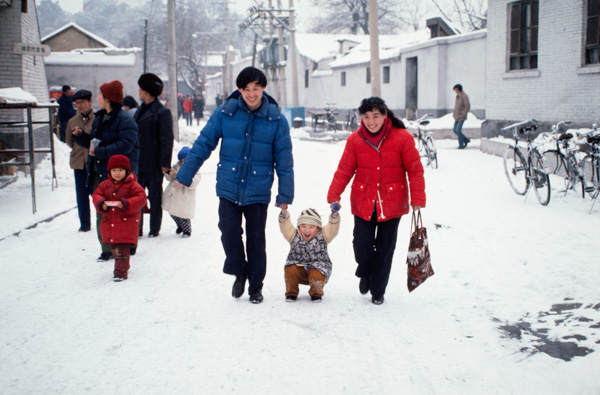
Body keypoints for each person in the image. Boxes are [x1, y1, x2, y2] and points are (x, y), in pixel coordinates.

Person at [175, 66, 294, 304]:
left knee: (256, 239)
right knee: (229, 233)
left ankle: (256, 287)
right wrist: (184, 175)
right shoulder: (225, 113)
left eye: (256, 89)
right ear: (239, 89)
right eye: (246, 89)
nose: (251, 94)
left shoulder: (276, 120)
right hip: (229, 186)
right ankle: (240, 271)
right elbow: (203, 144)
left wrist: (285, 194)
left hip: (258, 190)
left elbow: (284, 160)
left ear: (263, 89)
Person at [327, 97, 426, 305]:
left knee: (385, 249)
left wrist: (417, 198)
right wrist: (334, 195)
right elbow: (345, 169)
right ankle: (365, 271)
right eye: (366, 117)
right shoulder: (355, 140)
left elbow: (415, 170)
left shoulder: (402, 138)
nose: (371, 121)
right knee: (361, 245)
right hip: (363, 201)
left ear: (385, 115)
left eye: (375, 116)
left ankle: (378, 290)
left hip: (393, 203)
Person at [74, 80, 140, 262]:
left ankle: (127, 244)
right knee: (102, 210)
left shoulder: (125, 119)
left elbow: (126, 145)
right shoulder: (100, 117)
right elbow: (96, 142)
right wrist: (82, 138)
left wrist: (101, 152)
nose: (98, 99)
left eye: (101, 95)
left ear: (108, 98)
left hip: (120, 176)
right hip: (101, 172)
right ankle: (106, 248)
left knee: (123, 212)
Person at [92, 155, 147, 281]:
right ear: (109, 171)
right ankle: (123, 265)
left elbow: (141, 198)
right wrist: (101, 202)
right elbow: (96, 195)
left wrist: (127, 203)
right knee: (115, 248)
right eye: (114, 170)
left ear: (127, 171)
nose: (117, 173)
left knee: (121, 250)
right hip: (111, 223)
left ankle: (120, 273)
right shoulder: (105, 185)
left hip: (126, 224)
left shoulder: (133, 185)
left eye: (121, 170)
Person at [135, 73, 174, 238]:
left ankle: (154, 228)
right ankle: (137, 229)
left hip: (154, 162)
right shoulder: (140, 110)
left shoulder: (162, 112)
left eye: (141, 89)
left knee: (154, 196)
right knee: (137, 196)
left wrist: (164, 163)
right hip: (139, 161)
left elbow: (166, 139)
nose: (138, 92)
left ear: (146, 91)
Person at [278, 207, 340, 303]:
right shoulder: (294, 235)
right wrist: (283, 213)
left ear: (318, 228)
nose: (307, 230)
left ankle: (316, 293)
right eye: (303, 226)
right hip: (297, 266)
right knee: (290, 270)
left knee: (317, 276)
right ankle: (291, 293)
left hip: (317, 267)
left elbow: (332, 229)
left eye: (311, 227)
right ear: (298, 227)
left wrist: (334, 216)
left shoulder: (323, 236)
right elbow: (285, 227)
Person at [66, 89, 95, 232]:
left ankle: (103, 221)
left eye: (82, 102)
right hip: (79, 163)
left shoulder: (98, 118)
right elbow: (69, 141)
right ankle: (84, 224)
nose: (80, 105)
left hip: (94, 163)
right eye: (77, 103)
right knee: (81, 195)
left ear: (90, 101)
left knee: (96, 193)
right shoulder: (72, 121)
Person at [162, 147, 201, 238]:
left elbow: (196, 180)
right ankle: (180, 225)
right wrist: (168, 172)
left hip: (185, 195)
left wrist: (183, 181)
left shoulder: (194, 168)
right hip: (174, 194)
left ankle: (187, 230)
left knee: (184, 214)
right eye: (181, 161)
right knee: (172, 211)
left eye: (185, 160)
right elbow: (169, 178)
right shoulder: (176, 166)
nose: (182, 163)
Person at [453, 83, 471, 149]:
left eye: (456, 90)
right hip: (457, 116)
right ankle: (466, 139)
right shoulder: (457, 96)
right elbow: (456, 106)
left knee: (458, 130)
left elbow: (467, 105)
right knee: (455, 130)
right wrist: (454, 113)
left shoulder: (464, 96)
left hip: (461, 116)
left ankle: (461, 145)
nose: (455, 92)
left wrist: (463, 113)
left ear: (459, 90)